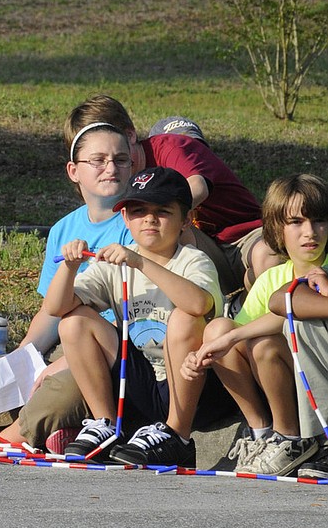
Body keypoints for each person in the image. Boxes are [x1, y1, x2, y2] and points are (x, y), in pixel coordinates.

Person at [0, 117, 136, 453]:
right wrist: (23, 359)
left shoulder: (136, 224)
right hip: (59, 349)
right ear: (74, 171)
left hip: (100, 355)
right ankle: (52, 431)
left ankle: (2, 439)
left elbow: (124, 318)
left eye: (120, 159)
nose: (110, 167)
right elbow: (50, 312)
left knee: (61, 390)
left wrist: (60, 365)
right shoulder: (62, 229)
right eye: (98, 160)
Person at [48, 166, 229, 467]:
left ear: (185, 220)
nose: (149, 219)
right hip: (143, 381)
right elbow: (56, 308)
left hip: (194, 384)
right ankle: (106, 425)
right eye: (138, 210)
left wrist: (142, 264)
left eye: (162, 211)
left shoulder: (192, 261)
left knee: (184, 319)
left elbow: (199, 305)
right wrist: (68, 267)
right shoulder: (116, 262)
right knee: (74, 321)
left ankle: (179, 437)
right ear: (124, 219)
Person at [67, 96, 274, 304]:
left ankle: (257, 327)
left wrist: (166, 214)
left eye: (106, 138)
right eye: (94, 153)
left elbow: (198, 187)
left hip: (241, 236)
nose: (107, 163)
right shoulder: (116, 176)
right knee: (163, 232)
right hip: (202, 247)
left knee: (265, 254)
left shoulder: (169, 147)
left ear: (129, 135)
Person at [185, 174, 327, 475]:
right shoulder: (272, 278)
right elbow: (234, 338)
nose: (309, 232)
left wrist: (234, 336)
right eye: (296, 222)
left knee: (260, 342)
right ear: (277, 228)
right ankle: (262, 432)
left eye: (318, 221)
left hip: (318, 377)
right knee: (218, 330)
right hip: (283, 381)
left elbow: (287, 310)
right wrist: (202, 353)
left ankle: (291, 437)